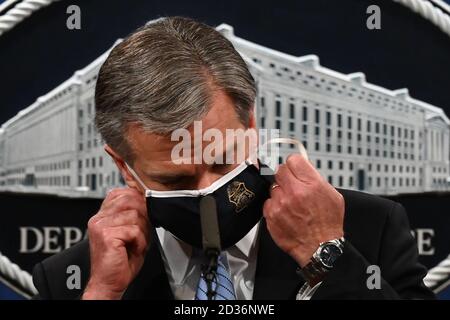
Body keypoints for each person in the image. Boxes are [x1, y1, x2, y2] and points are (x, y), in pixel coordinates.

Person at [32, 16, 434, 300]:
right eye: (176, 181)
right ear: (123, 166)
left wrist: (328, 261)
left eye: (223, 161)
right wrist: (103, 294)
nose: (209, 192)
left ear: (251, 125)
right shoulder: (76, 277)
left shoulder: (367, 230)